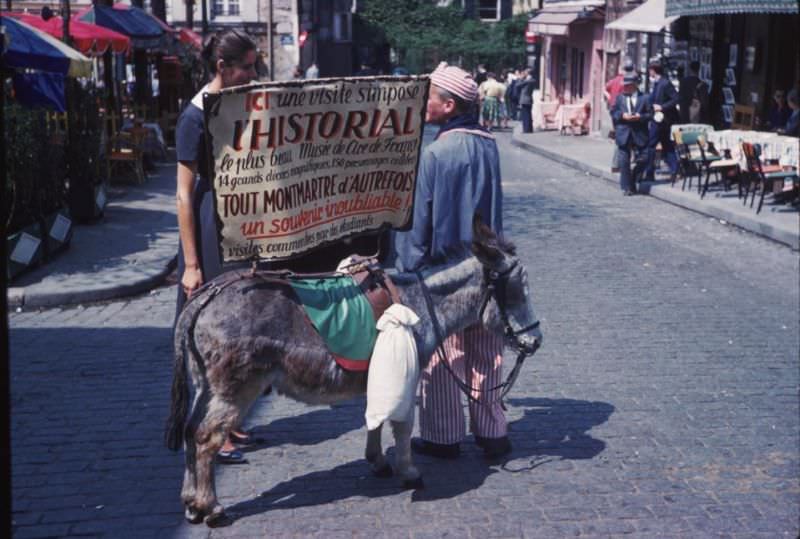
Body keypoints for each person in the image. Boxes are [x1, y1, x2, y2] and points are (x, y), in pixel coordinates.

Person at [394, 62, 509, 460]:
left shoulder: (436, 153)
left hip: (445, 273)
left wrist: (409, 271)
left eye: (430, 98)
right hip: (486, 266)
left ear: (448, 105)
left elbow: (417, 221)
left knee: (445, 355)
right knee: (487, 348)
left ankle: (444, 436)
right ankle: (493, 431)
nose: (424, 104)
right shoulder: (488, 144)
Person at [175, 30, 261, 465]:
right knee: (216, 334)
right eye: (245, 66)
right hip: (211, 228)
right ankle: (214, 426)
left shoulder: (236, 104)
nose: (252, 73)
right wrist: (191, 264)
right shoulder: (194, 116)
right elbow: (183, 195)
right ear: (223, 68)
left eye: (254, 65)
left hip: (237, 225)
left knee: (241, 325)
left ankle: (232, 417)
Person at [612, 72, 652, 196]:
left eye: (628, 85)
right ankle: (627, 188)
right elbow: (613, 112)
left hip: (639, 133)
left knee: (645, 157)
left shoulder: (645, 98)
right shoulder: (620, 97)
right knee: (624, 161)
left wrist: (640, 116)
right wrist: (622, 115)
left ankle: (634, 177)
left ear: (635, 85)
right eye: (625, 85)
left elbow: (651, 114)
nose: (625, 87)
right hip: (624, 132)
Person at [644, 62, 679, 182]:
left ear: (654, 70)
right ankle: (674, 170)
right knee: (666, 145)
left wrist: (662, 107)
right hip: (658, 118)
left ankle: (650, 172)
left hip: (663, 120)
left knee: (652, 145)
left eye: (650, 70)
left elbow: (676, 98)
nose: (649, 72)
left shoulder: (665, 83)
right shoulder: (657, 83)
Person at [516, 68, 536, 133]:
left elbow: (517, 85)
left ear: (527, 73)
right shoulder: (532, 80)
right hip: (529, 99)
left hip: (525, 99)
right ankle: (530, 129)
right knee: (529, 114)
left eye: (525, 72)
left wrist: (521, 78)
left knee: (525, 115)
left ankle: (526, 129)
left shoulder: (527, 80)